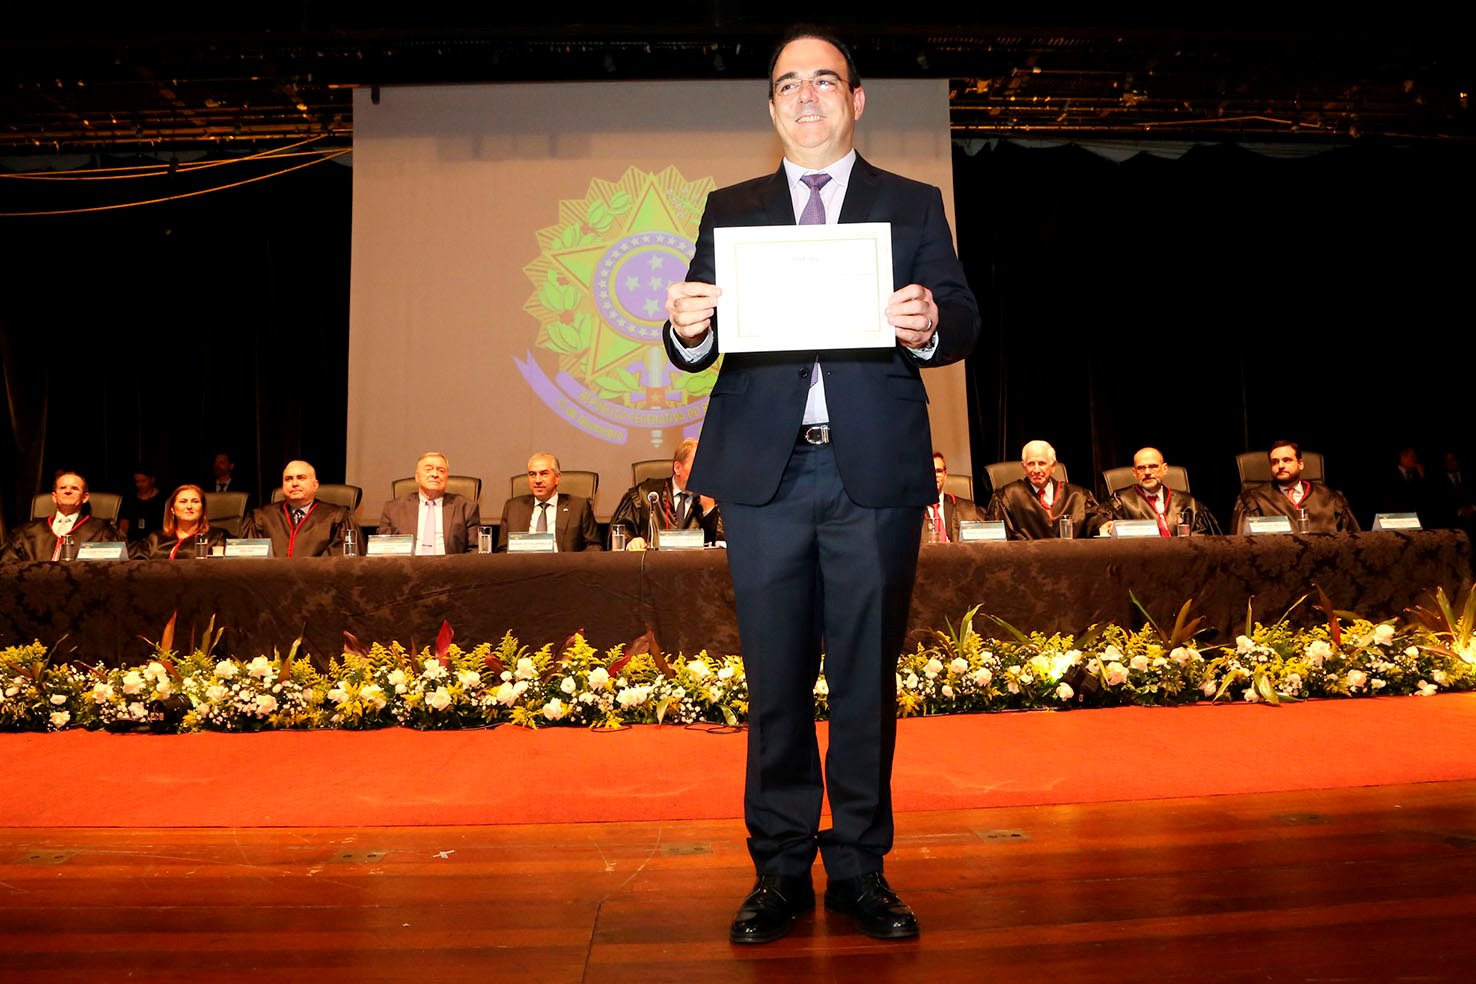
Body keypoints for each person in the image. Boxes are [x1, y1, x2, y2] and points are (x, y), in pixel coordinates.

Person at [663, 27, 979, 944]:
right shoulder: (731, 207)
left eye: (825, 81)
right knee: (774, 679)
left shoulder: (910, 203)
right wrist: (686, 326)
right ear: (771, 106)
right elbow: (695, 343)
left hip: (870, 470)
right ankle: (777, 871)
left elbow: (961, 318)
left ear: (856, 99)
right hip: (764, 472)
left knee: (865, 677)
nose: (806, 96)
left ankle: (859, 869)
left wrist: (927, 322)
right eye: (788, 84)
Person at [607, 438, 723, 549]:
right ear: (677, 468)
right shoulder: (644, 494)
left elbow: (723, 545)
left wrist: (709, 511)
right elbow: (619, 530)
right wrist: (631, 541)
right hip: (653, 562)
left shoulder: (716, 499)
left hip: (696, 563)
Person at [987, 440, 1111, 539]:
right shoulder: (1007, 497)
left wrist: (1106, 526)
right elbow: (997, 537)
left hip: (1072, 559)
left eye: (1042, 463)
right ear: (1024, 467)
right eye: (1031, 464)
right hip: (1027, 560)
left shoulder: (1077, 496)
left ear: (1053, 466)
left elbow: (1098, 522)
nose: (1036, 470)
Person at [1232, 440, 1360, 534]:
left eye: (1287, 460)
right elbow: (1242, 546)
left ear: (1300, 464)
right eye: (1275, 462)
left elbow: (1353, 541)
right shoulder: (1253, 500)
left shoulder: (1331, 499)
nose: (1280, 466)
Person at [240, 460, 355, 557]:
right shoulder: (260, 518)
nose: (294, 483)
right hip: (272, 576)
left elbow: (342, 562)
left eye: (301, 478)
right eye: (288, 479)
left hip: (317, 576)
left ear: (315, 485)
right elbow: (249, 562)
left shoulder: (338, 517)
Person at [376, 451, 482, 554]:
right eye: (428, 469)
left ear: (446, 478)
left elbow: (476, 550)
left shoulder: (466, 508)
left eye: (441, 470)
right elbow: (381, 552)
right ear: (417, 477)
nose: (435, 474)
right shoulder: (393, 509)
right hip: (407, 565)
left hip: (451, 565)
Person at [2, 472, 122, 562]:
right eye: (62, 488)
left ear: (85, 497)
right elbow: (8, 567)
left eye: (75, 488)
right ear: (54, 497)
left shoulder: (103, 529)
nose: (68, 491)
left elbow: (113, 568)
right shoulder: (26, 531)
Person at [497, 453, 601, 552]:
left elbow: (594, 547)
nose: (537, 480)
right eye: (532, 474)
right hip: (523, 563)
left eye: (544, 474)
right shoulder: (513, 508)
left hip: (563, 563)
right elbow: (502, 550)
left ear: (557, 478)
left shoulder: (578, 507)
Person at [1108, 447, 1221, 536]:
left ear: (1164, 469)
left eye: (1153, 466)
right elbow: (1107, 526)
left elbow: (1203, 538)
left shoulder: (1188, 502)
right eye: (1141, 468)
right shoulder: (1121, 500)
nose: (1147, 472)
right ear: (1134, 473)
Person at [130, 484, 229, 560]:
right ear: (172, 509)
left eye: (195, 501)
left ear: (202, 509)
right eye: (183, 501)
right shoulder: (155, 538)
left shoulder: (217, 537)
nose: (189, 506)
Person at [924, 451, 983, 543]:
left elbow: (987, 539)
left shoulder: (968, 509)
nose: (934, 475)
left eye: (938, 471)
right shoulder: (910, 513)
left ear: (945, 475)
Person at [116, 467, 166, 543]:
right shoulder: (130, 497)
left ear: (152, 480)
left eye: (143, 481)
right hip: (133, 541)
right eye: (137, 481)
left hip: (156, 540)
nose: (140, 485)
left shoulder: (162, 499)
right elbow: (124, 523)